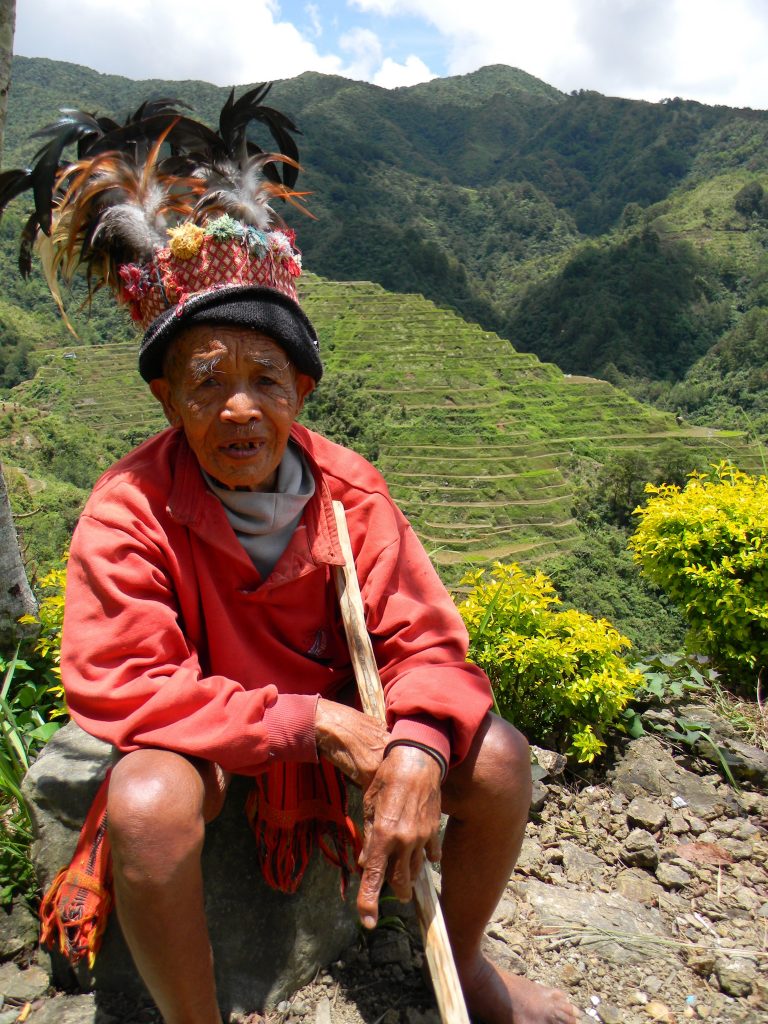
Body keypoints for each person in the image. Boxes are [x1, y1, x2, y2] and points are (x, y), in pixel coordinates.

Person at [9, 91, 579, 1024]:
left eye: (264, 379)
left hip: (345, 730)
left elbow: (429, 647)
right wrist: (307, 721)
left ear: (301, 391)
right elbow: (121, 684)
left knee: (501, 759)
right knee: (147, 803)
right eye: (207, 382)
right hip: (220, 738)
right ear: (167, 404)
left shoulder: (348, 489)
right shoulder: (129, 511)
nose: (239, 409)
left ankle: (465, 963)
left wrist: (422, 746)